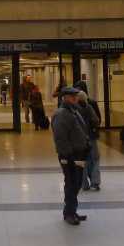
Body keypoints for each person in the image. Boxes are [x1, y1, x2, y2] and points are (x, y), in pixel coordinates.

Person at [51, 87, 90, 225]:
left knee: (77, 182)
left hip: (78, 154)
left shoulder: (73, 111)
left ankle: (72, 211)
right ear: (64, 98)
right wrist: (67, 156)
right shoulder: (62, 114)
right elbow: (60, 138)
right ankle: (69, 213)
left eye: (76, 96)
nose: (75, 98)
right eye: (72, 96)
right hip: (70, 156)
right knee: (72, 183)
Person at [77, 90, 101, 192]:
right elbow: (96, 121)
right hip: (91, 137)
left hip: (80, 139)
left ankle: (84, 184)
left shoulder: (75, 110)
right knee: (95, 160)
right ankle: (95, 183)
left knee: (82, 161)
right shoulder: (89, 108)